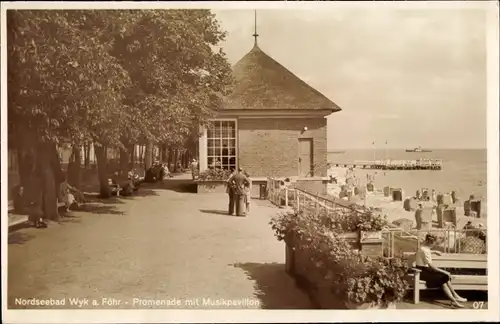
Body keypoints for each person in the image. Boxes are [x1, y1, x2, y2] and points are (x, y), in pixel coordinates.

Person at [414, 234, 467, 308]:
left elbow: (424, 252)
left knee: (444, 277)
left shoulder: (422, 247)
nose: (434, 245)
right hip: (422, 272)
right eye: (434, 243)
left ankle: (455, 296)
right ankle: (453, 300)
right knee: (442, 279)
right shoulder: (425, 250)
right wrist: (445, 272)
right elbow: (431, 267)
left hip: (423, 269)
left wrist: (434, 251)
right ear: (430, 242)